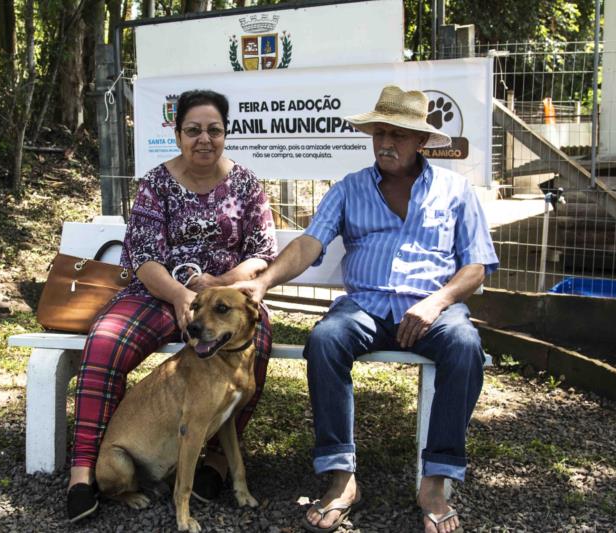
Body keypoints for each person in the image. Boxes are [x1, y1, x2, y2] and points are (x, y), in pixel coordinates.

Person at [235, 85, 498, 533]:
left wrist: (437, 302)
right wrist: (262, 281)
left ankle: (436, 479)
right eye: (378, 133)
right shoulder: (350, 188)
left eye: (397, 134)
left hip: (432, 308)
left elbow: (476, 267)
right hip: (366, 305)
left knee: (465, 344)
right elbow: (308, 244)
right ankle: (341, 478)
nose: (385, 143)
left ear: (420, 141)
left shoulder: (456, 191)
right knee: (325, 339)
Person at [66, 89, 277, 522]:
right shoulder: (156, 184)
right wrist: (182, 296)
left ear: (225, 133)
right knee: (104, 343)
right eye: (194, 130)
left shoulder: (246, 184)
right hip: (159, 295)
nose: (205, 139)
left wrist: (220, 283)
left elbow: (261, 253)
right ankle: (84, 469)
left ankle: (215, 462)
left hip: (223, 299)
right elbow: (143, 258)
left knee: (261, 342)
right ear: (178, 133)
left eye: (214, 130)